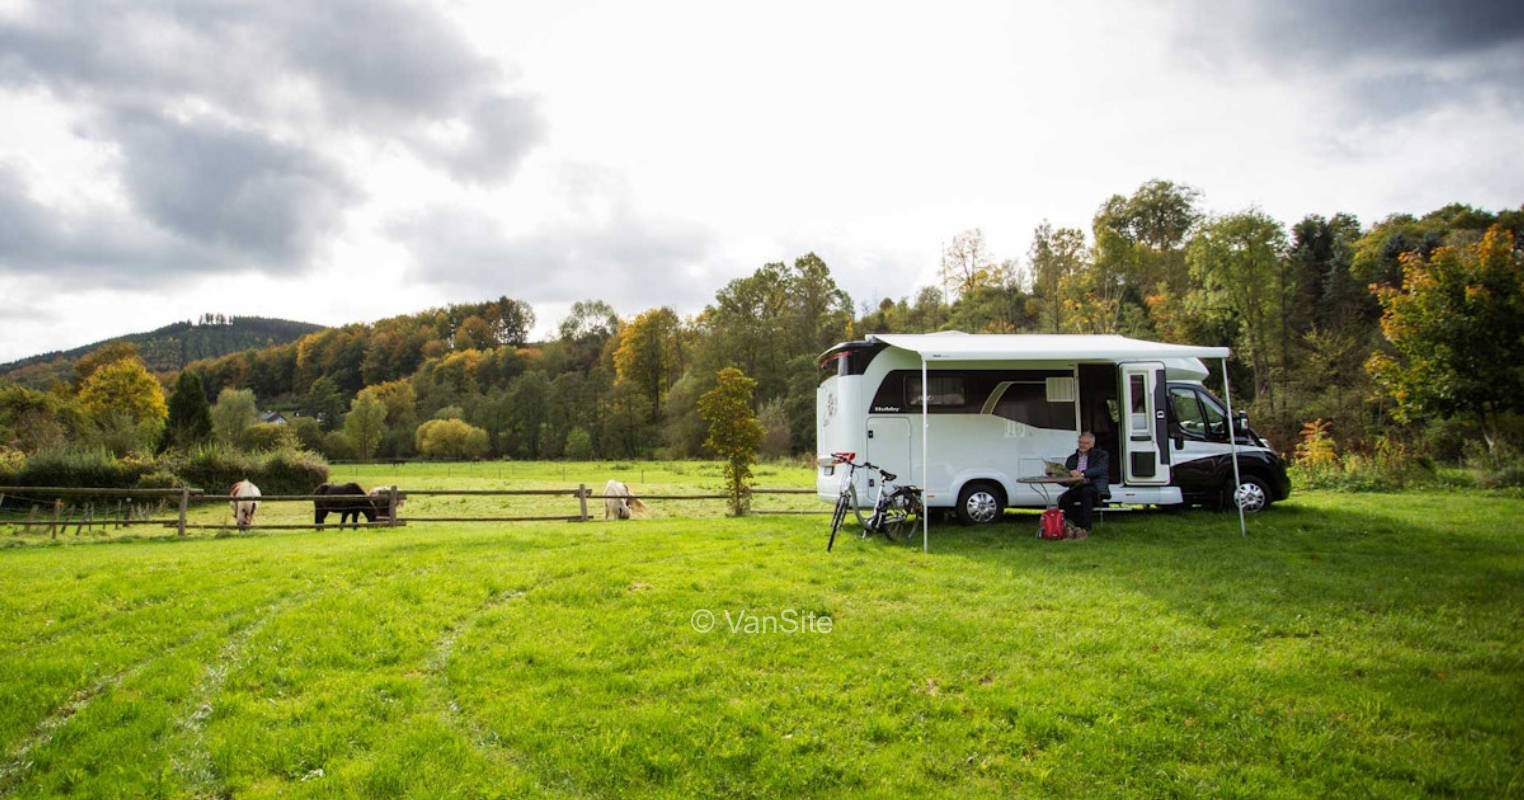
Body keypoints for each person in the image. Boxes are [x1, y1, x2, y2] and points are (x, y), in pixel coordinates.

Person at [1058, 431, 1109, 538]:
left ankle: (1086, 527)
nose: (1082, 445)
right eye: (1081, 442)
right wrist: (1055, 475)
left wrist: (1082, 474)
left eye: (1086, 443)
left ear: (1092, 444)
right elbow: (1066, 478)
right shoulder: (1072, 458)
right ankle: (1076, 525)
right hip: (1076, 486)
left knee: (1086, 493)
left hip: (1094, 486)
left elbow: (1100, 469)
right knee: (1063, 500)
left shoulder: (1101, 455)